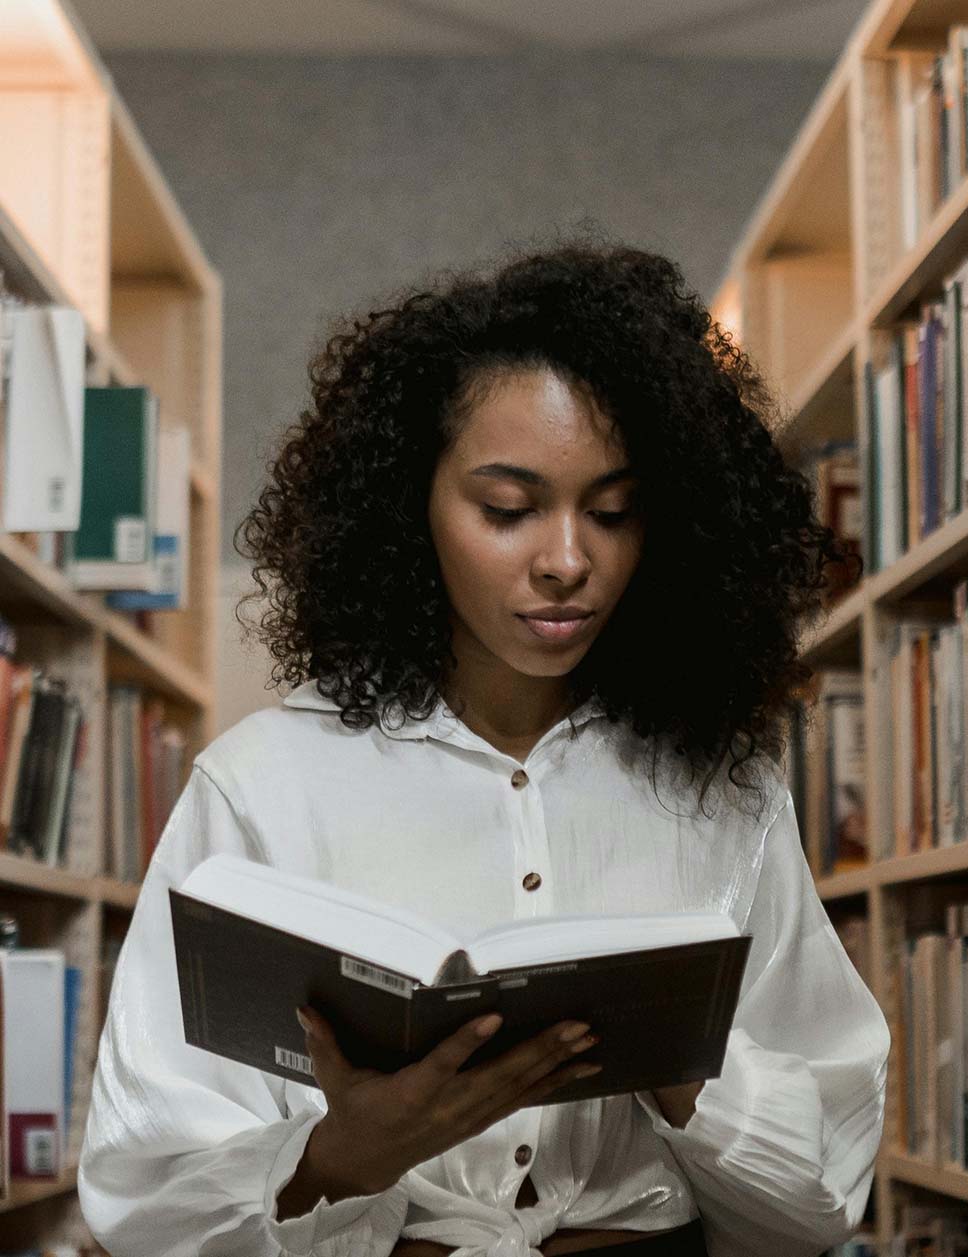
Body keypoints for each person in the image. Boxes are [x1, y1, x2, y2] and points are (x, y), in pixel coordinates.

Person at [77, 230, 890, 1257]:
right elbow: (144, 1195)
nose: (566, 560)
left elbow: (817, 1204)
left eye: (614, 512)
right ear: (408, 506)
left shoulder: (722, 788)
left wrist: (680, 1067)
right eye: (508, 508)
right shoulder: (261, 785)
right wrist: (343, 1159)